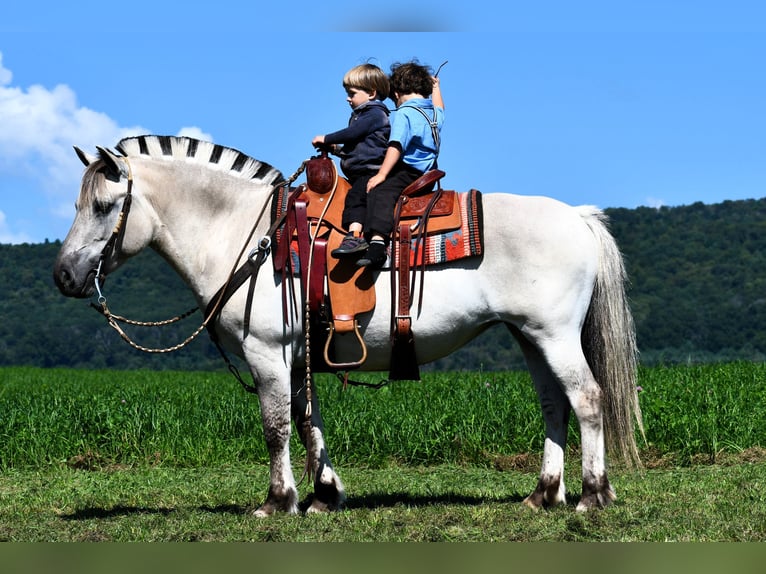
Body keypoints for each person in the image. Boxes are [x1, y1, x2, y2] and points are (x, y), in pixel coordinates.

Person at [357, 60, 445, 269]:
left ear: (396, 94)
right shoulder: (433, 113)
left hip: (408, 172)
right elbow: (440, 105)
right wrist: (437, 87)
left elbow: (396, 146)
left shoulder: (405, 113)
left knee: (381, 192)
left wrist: (381, 175)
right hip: (428, 174)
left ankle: (378, 244)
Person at [311, 63, 391, 257]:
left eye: (352, 93)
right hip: (358, 171)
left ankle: (354, 236)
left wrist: (327, 138)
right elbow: (354, 148)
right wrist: (336, 150)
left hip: (368, 171)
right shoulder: (362, 115)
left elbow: (352, 134)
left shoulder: (375, 114)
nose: (348, 98)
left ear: (371, 93)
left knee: (356, 199)